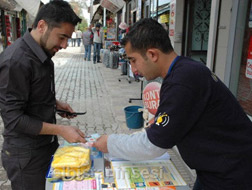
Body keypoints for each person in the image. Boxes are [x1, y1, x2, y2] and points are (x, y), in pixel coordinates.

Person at [93, 18, 252, 189]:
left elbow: (152, 145)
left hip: (232, 175)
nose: (133, 69)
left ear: (152, 54)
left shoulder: (182, 81)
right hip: (217, 169)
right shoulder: (184, 69)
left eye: (133, 60)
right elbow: (171, 120)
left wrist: (109, 143)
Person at [0, 1, 86, 190]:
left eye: (68, 38)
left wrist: (55, 103)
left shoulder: (42, 54)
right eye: (62, 37)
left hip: (45, 147)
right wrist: (61, 130)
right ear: (42, 26)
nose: (65, 45)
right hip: (26, 157)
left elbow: (31, 94)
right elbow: (14, 120)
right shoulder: (16, 61)